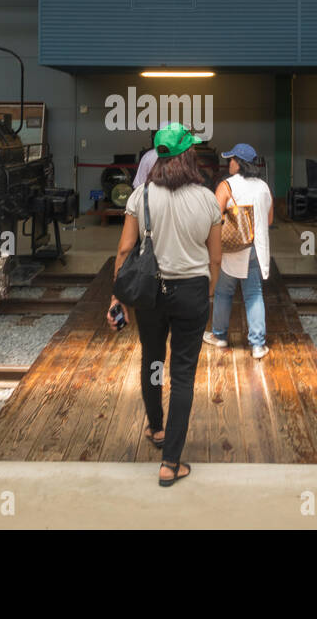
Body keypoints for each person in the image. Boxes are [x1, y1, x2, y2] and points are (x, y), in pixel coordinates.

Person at [108, 122, 221, 487]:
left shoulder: (140, 196)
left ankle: (155, 427)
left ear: (157, 156)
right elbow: (215, 257)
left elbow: (125, 250)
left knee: (153, 359)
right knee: (184, 374)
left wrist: (118, 295)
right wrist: (208, 292)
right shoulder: (206, 198)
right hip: (192, 293)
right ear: (189, 155)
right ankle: (171, 462)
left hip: (151, 294)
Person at [204, 143, 274, 359]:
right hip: (255, 247)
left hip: (232, 249)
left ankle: (220, 335)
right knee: (254, 295)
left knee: (224, 292)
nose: (229, 163)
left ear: (240, 163)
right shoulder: (264, 187)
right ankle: (257, 345)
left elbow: (213, 217)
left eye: (231, 160)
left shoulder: (226, 185)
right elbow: (269, 220)